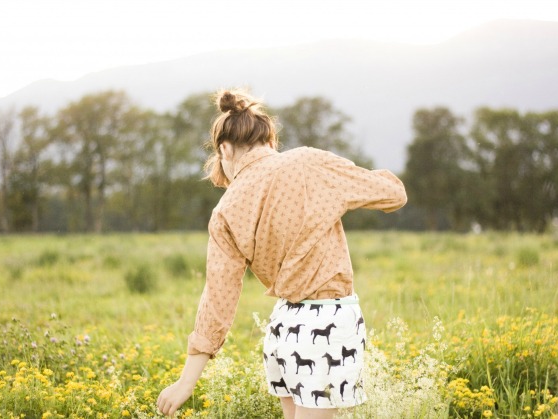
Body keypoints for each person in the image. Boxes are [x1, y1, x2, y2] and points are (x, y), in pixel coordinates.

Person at [157, 88, 407, 418]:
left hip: (282, 328)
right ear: (270, 140)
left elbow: (218, 299)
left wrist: (185, 382)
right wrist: (332, 196)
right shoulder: (308, 162)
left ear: (225, 149)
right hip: (329, 323)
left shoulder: (225, 211)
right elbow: (394, 194)